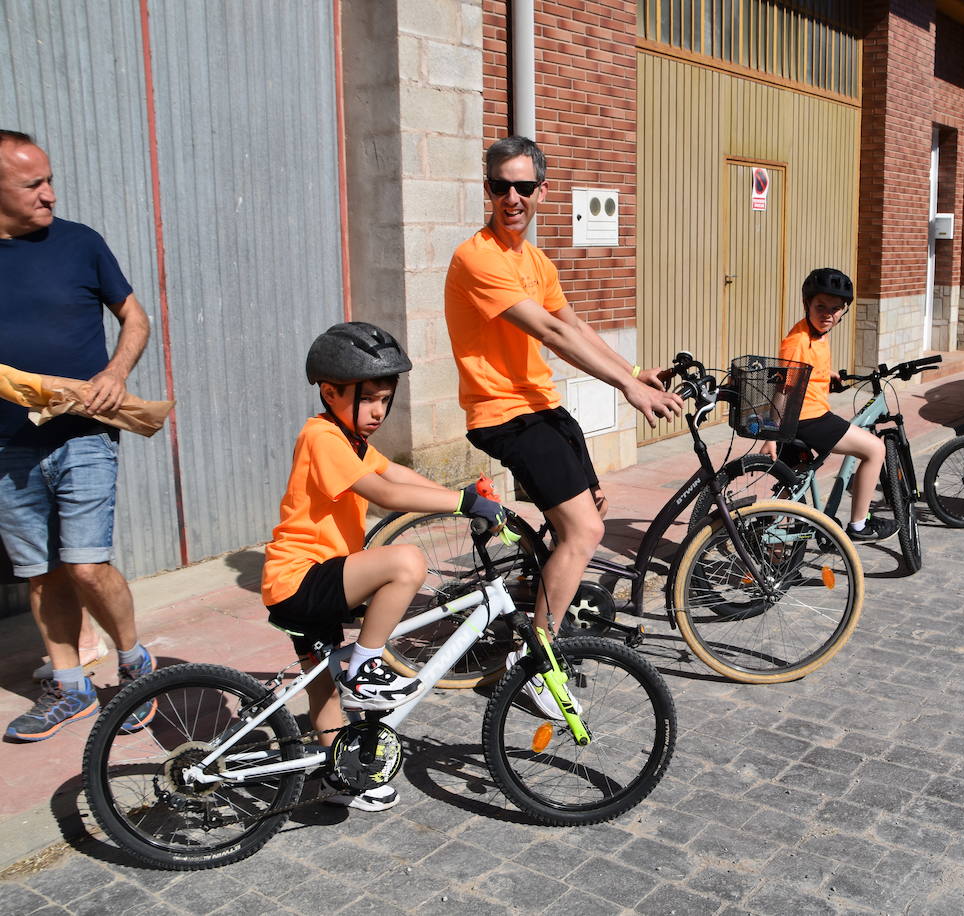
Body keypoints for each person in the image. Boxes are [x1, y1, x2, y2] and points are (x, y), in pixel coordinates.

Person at [444, 136, 682, 716]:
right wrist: (624, 388)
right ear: (488, 190)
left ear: (541, 191)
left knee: (591, 507)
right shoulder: (478, 257)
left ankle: (539, 590)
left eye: (524, 186)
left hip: (541, 405)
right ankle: (534, 665)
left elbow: (571, 323)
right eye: (500, 186)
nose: (512, 197)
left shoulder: (535, 261)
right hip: (503, 412)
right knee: (584, 533)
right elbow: (549, 336)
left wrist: (633, 369)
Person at [261, 321, 510, 811]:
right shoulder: (322, 437)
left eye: (385, 398)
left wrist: (464, 496)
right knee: (405, 562)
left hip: (311, 580)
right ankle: (366, 666)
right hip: (301, 577)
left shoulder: (350, 439)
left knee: (323, 690)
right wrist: (460, 505)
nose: (378, 411)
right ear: (330, 392)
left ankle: (337, 776)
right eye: (367, 398)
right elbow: (386, 495)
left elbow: (397, 473)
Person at [0, 130, 157, 742]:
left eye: (49, 179)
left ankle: (134, 663)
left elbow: (135, 319)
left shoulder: (79, 243)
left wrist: (114, 373)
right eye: (32, 184)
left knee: (86, 566)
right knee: (41, 573)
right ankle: (70, 688)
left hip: (84, 434)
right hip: (8, 445)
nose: (49, 194)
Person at [761, 267, 897, 542]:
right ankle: (859, 525)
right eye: (820, 306)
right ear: (806, 304)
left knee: (792, 484)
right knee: (874, 449)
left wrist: (826, 375)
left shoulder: (814, 334)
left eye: (835, 309)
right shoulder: (798, 341)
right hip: (808, 419)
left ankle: (770, 548)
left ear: (843, 311)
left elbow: (805, 370)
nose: (828, 314)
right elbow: (782, 387)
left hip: (802, 417)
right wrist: (770, 433)